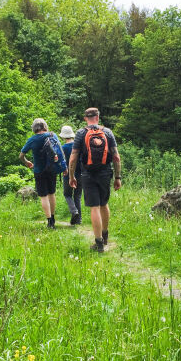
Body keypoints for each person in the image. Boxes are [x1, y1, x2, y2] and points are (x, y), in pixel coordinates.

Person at [69, 107, 121, 252]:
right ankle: (105, 236)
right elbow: (116, 157)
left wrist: (72, 176)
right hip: (105, 173)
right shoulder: (108, 132)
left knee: (94, 207)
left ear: (85, 118)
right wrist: (118, 177)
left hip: (88, 174)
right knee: (104, 204)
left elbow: (73, 157)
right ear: (98, 117)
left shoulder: (81, 133)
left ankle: (98, 243)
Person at [20, 119, 66, 228]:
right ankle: (53, 218)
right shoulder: (52, 135)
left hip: (39, 171)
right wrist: (64, 167)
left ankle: (49, 221)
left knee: (43, 196)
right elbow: (60, 152)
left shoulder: (32, 140)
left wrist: (27, 162)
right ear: (45, 126)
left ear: (34, 128)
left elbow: (21, 156)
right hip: (52, 169)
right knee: (51, 194)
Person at [59, 124, 82, 225]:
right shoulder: (79, 146)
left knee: (67, 194)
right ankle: (79, 219)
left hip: (68, 175)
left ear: (63, 136)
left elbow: (61, 162)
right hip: (81, 174)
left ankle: (74, 211)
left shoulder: (63, 148)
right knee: (77, 196)